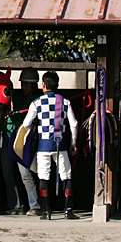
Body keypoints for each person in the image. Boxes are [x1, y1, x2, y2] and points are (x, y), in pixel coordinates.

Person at [21, 70, 79, 220]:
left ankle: (46, 212)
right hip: (61, 146)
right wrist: (73, 143)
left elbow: (26, 124)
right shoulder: (65, 102)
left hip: (43, 146)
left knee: (43, 177)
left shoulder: (37, 102)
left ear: (44, 85)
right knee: (66, 176)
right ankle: (68, 210)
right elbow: (74, 124)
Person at [0, 68, 41, 215]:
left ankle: (34, 205)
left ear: (33, 85)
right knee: (8, 174)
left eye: (26, 84)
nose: (23, 86)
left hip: (23, 140)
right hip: (7, 136)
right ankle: (15, 205)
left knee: (25, 174)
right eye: (22, 83)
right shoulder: (14, 96)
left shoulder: (37, 101)